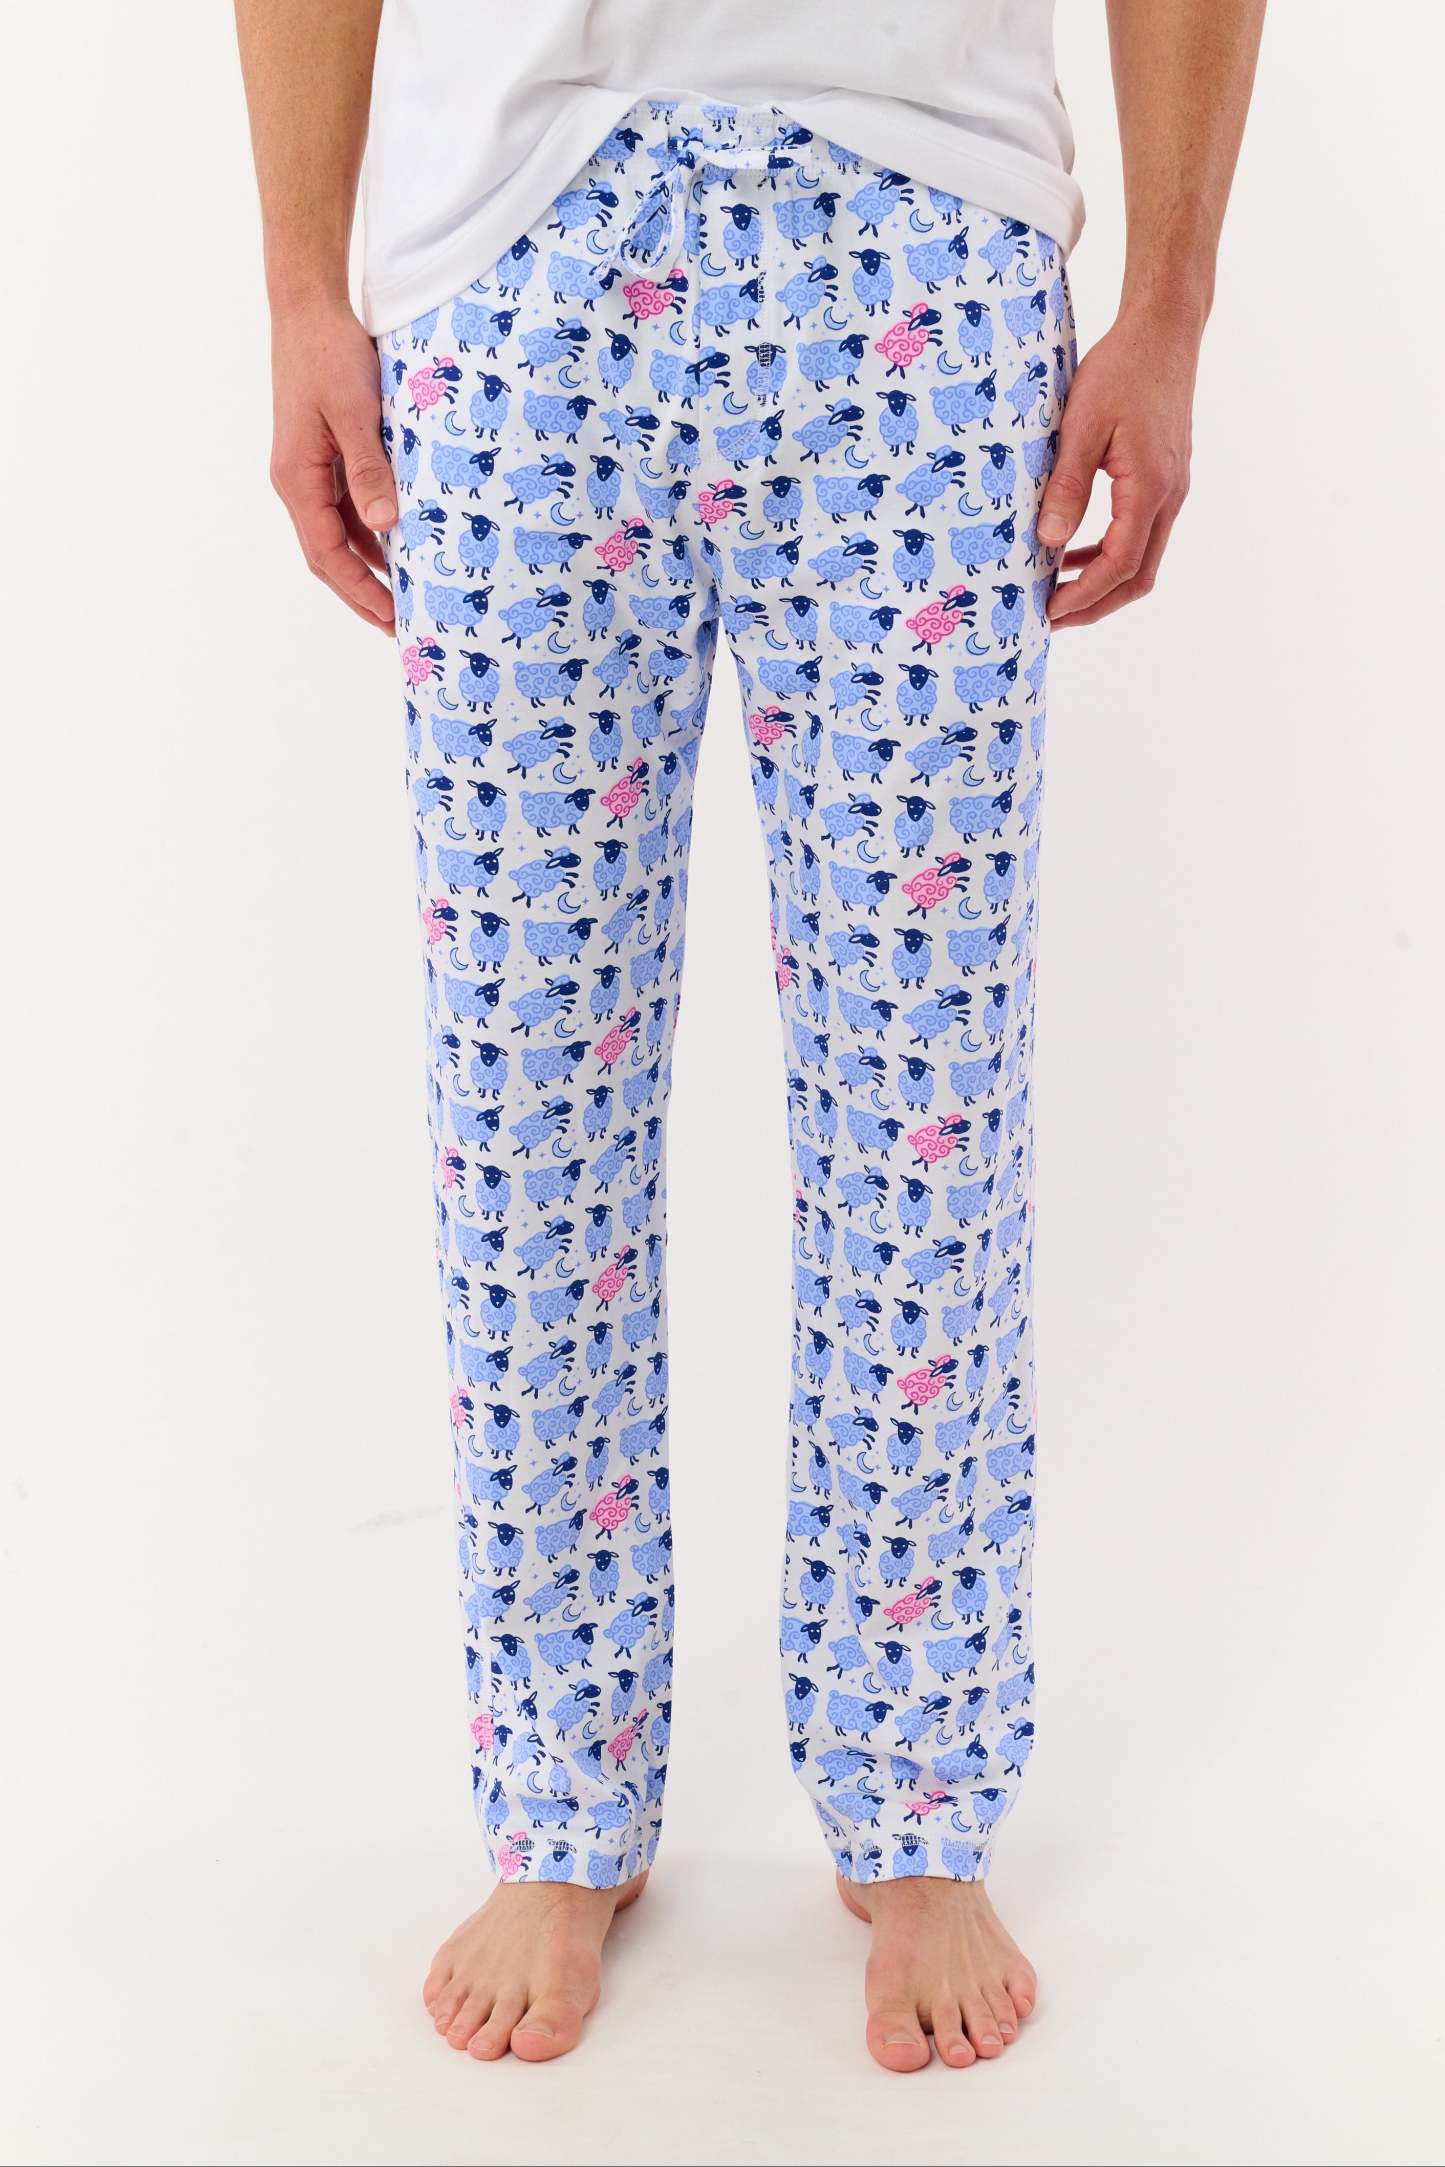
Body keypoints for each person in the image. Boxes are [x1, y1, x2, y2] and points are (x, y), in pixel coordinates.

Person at [236, 0, 1264, 2075]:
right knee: (526, 1101)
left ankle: (917, 1793)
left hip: (918, 241)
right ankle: (559, 1795)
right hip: (513, 264)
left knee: (925, 1102)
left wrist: (1165, 308)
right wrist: (300, 292)